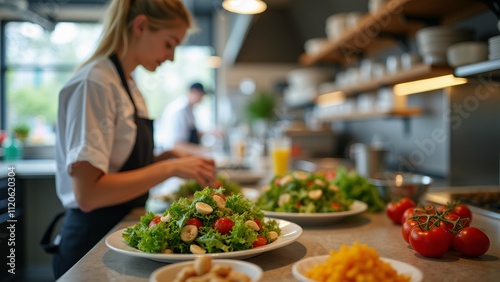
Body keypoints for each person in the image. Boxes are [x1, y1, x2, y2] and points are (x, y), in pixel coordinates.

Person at [50, 0, 215, 278]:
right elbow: (88, 194)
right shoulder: (95, 83)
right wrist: (169, 168)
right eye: (169, 43)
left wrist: (172, 156)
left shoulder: (127, 83)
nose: (171, 57)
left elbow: (119, 165)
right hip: (93, 239)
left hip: (121, 230)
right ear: (140, 26)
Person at [154, 82, 210, 154]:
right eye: (201, 95)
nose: (202, 99)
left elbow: (192, 132)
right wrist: (203, 151)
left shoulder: (189, 109)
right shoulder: (179, 110)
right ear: (192, 91)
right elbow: (176, 145)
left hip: (186, 155)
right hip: (175, 157)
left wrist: (210, 132)